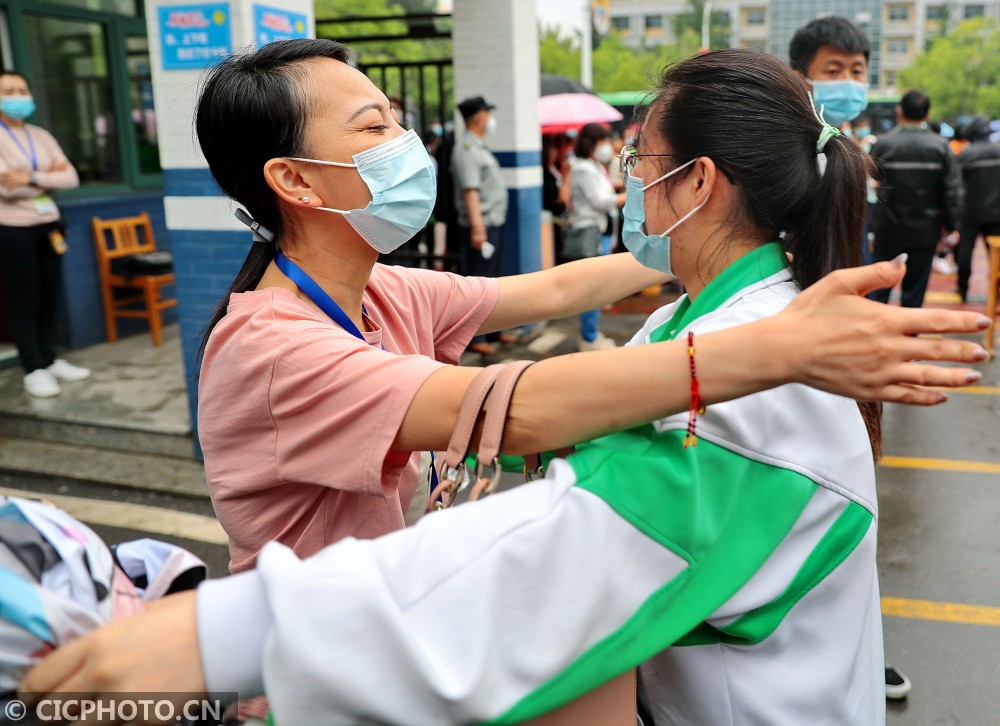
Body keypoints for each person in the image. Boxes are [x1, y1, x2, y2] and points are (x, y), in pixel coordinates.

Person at [21, 46, 991, 725]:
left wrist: (230, 633)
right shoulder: (274, 339)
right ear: (297, 182)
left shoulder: (749, 369)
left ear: (695, 186)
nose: (405, 143)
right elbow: (527, 404)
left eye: (638, 164)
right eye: (374, 124)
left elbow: (532, 565)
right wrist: (748, 336)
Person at [0, 70, 89, 398]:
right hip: (12, 230)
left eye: (21, 89)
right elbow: (5, 190)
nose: (17, 96)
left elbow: (71, 178)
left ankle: (50, 359)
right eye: (9, 90)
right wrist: (47, 176)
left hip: (48, 225)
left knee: (50, 295)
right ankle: (33, 367)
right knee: (26, 298)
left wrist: (28, 177)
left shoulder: (40, 135)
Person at [869, 90, 963, 308]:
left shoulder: (883, 144)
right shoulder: (940, 147)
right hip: (925, 229)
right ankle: (908, 336)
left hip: (888, 226)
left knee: (880, 285)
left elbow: (874, 175)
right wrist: (951, 226)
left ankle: (875, 335)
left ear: (899, 112)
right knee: (915, 290)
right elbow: (951, 191)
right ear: (927, 114)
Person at [452, 94, 509, 355]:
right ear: (479, 117)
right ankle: (475, 338)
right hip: (481, 226)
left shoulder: (479, 147)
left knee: (492, 281)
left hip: (492, 223)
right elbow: (470, 192)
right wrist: (477, 227)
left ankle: (494, 331)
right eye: (487, 113)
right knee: (478, 284)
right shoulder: (467, 150)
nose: (490, 119)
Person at [565, 123, 624, 351]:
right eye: (603, 142)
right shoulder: (582, 168)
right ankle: (588, 337)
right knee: (592, 287)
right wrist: (629, 196)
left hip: (602, 231)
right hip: (591, 232)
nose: (607, 147)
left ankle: (593, 333)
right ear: (593, 143)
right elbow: (599, 200)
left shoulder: (593, 165)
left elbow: (605, 192)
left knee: (598, 286)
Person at [955, 115, 1000, 303]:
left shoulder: (965, 155)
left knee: (965, 252)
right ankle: (997, 293)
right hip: (997, 214)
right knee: (996, 255)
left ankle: (963, 289)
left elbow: (956, 186)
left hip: (969, 214)